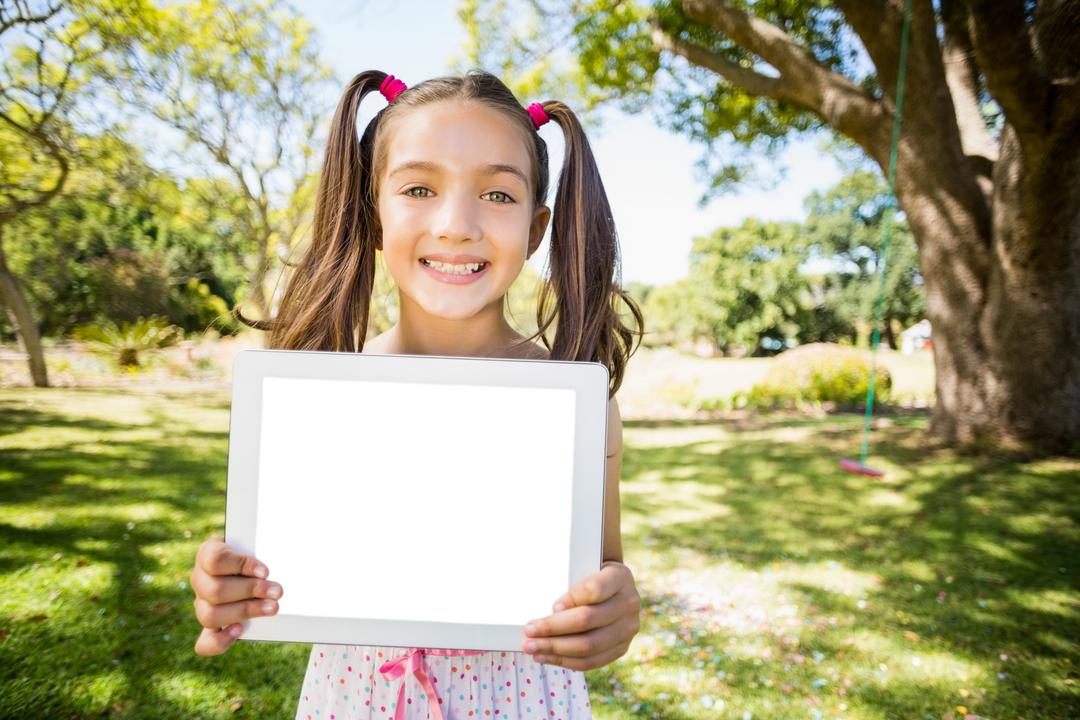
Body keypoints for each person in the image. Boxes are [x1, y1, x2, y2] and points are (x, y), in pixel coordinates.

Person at [189, 70, 643, 720]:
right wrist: (226, 585)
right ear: (371, 212)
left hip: (521, 703)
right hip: (355, 699)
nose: (457, 225)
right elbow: (267, 561)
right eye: (419, 188)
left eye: (497, 194)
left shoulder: (580, 405)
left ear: (536, 229)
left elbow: (604, 570)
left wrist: (616, 609)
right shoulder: (318, 391)